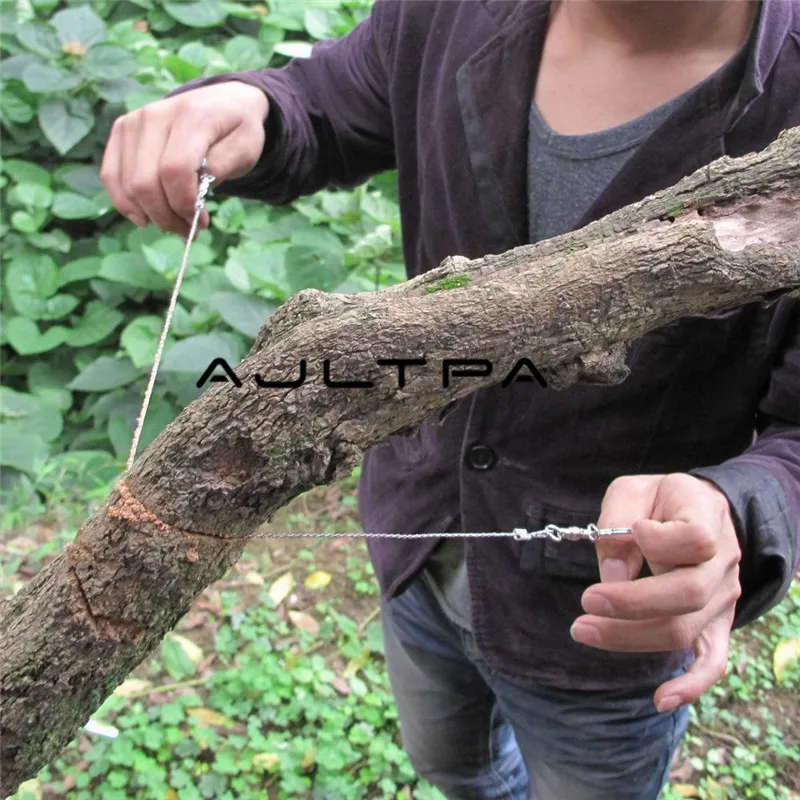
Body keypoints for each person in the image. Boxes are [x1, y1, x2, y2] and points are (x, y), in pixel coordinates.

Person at [100, 1, 800, 797]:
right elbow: (331, 101)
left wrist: (738, 506)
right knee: (452, 765)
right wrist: (254, 104)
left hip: (598, 620)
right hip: (419, 537)